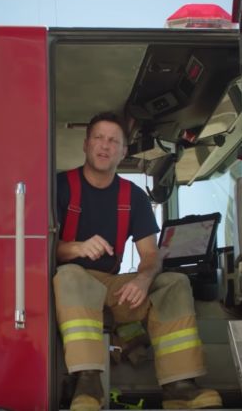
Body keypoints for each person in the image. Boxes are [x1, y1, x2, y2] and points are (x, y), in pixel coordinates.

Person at [54, 112, 222, 410]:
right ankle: (88, 384)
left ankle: (179, 386)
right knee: (69, 275)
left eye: (113, 141)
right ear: (85, 144)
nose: (105, 146)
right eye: (98, 138)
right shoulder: (59, 187)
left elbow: (150, 255)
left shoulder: (133, 196)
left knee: (173, 282)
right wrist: (77, 248)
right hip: (72, 285)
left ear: (124, 151)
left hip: (113, 289)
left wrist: (142, 280)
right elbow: (41, 249)